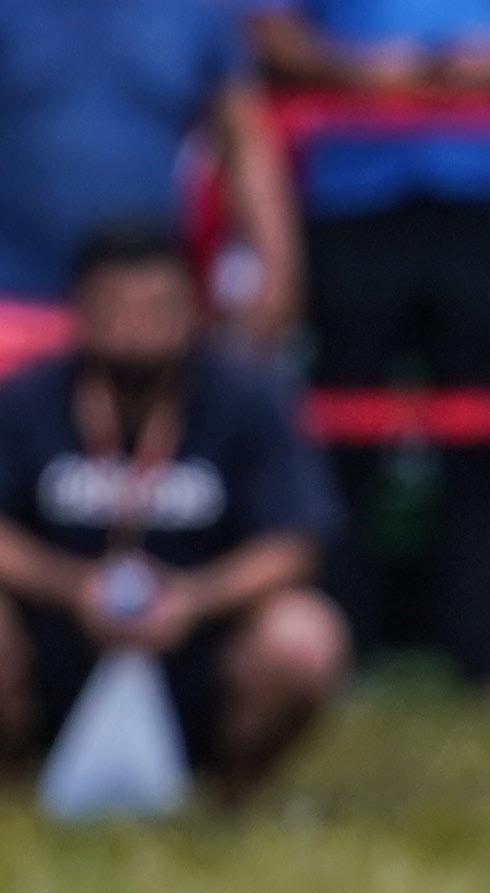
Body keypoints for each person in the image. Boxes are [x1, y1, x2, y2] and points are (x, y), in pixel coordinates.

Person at [252, 0, 490, 688]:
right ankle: (334, 642)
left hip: (473, 194)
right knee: (343, 442)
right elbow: (265, 29)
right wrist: (352, 70)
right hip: (351, 197)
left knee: (482, 438)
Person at [0, 225, 350, 803]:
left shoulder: (249, 398)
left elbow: (295, 542)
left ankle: (234, 791)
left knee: (303, 635)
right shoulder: (26, 400)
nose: (137, 325)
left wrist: (193, 600)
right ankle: (15, 782)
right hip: (57, 640)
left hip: (202, 648)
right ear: (80, 311)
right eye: (117, 307)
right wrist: (73, 589)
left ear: (194, 309)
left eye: (157, 307)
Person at [0, 0, 305, 370]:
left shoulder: (195, 15)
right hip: (14, 303)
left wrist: (277, 274)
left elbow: (245, 144)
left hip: (149, 311)